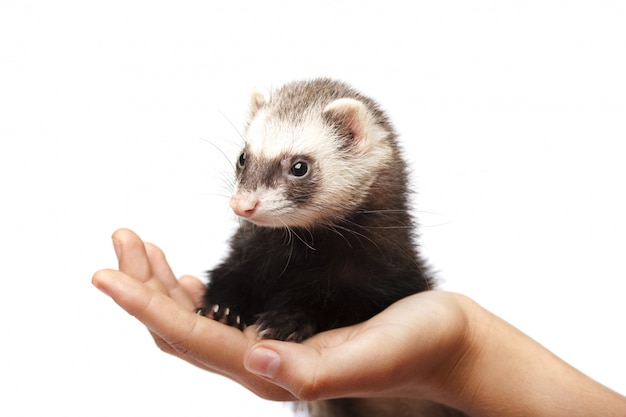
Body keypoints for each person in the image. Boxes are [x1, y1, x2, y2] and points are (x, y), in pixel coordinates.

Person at [92, 228, 626, 417]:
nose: (246, 197)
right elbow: (236, 280)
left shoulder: (377, 260)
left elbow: (368, 302)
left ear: (356, 145)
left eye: (297, 168)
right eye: (243, 162)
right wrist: (225, 303)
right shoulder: (261, 236)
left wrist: (461, 354)